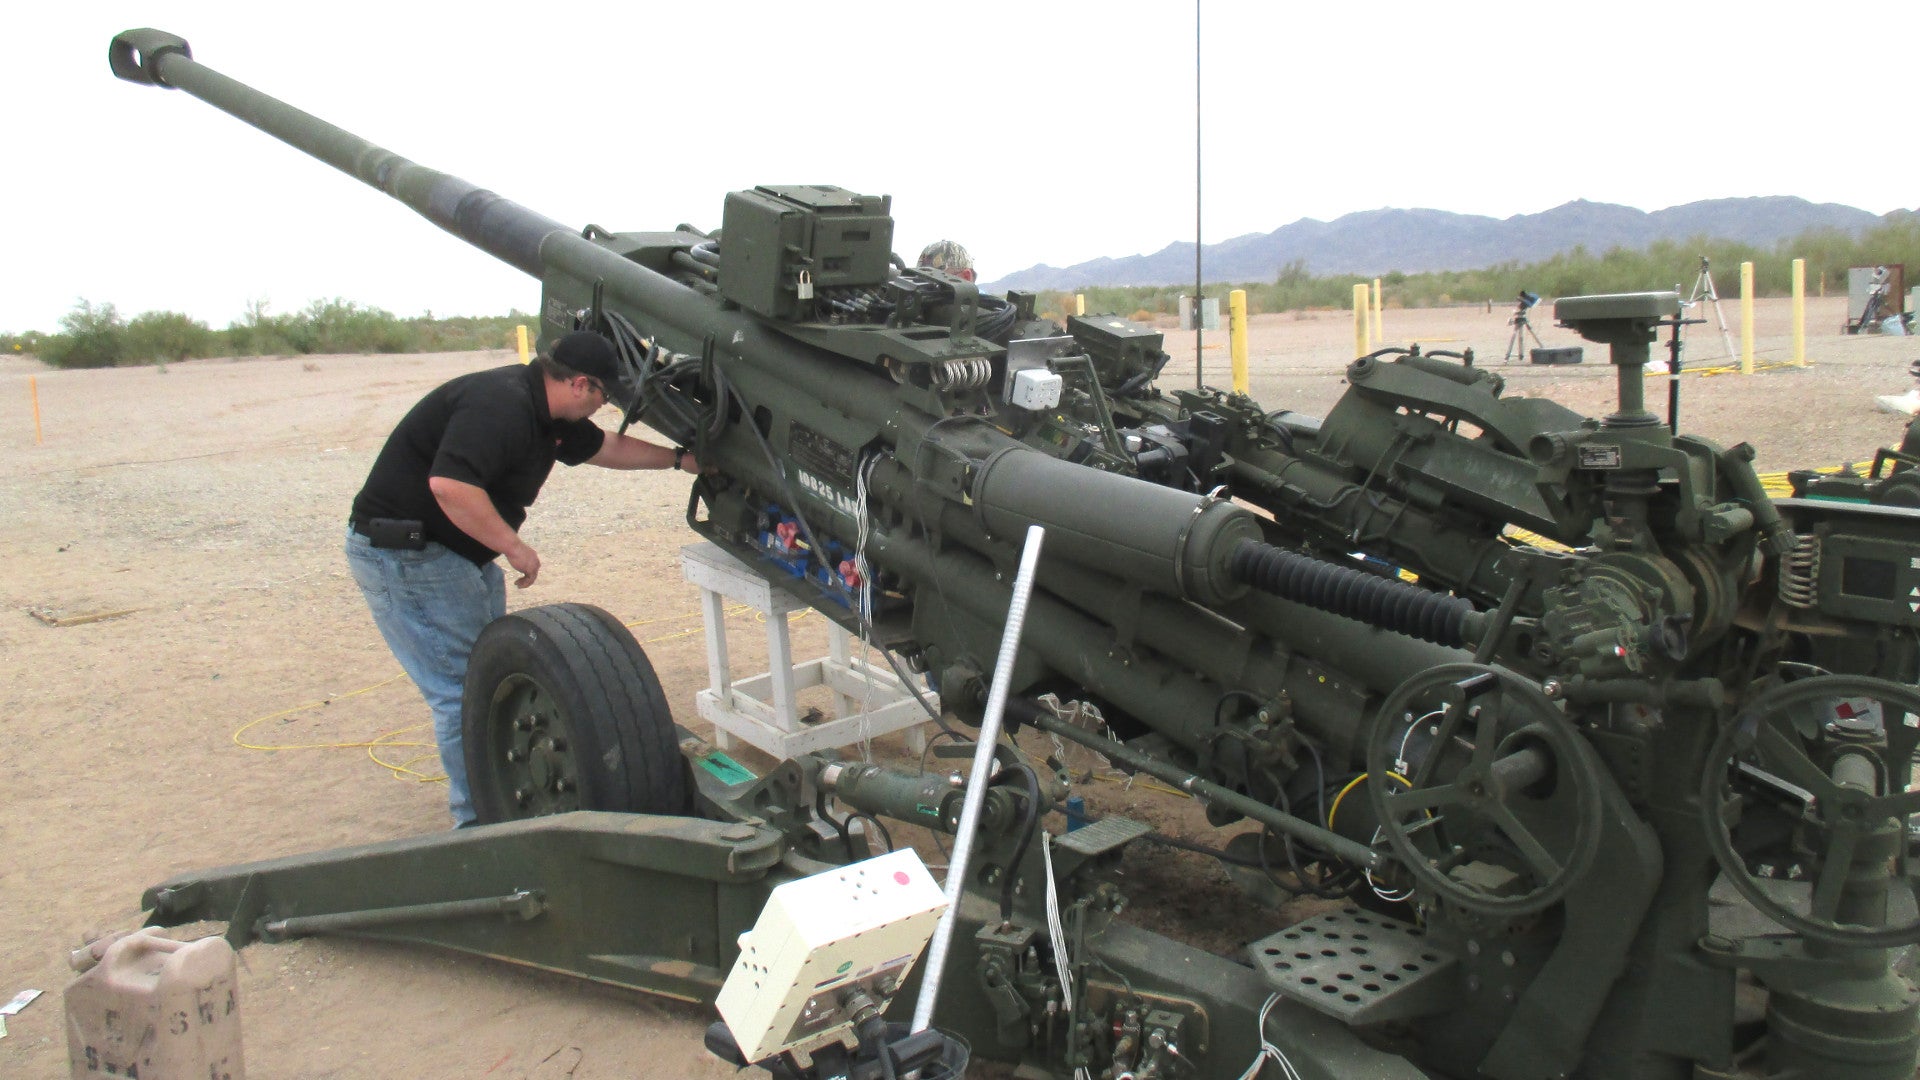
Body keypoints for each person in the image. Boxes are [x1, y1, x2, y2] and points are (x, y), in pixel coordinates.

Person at [344, 330, 699, 827]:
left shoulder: (547, 411)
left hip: (454, 556)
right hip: (410, 556)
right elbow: (449, 486)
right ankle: (479, 826)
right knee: (462, 693)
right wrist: (512, 546)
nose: (603, 407)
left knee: (485, 680)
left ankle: (493, 806)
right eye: (603, 396)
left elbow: (605, 448)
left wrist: (679, 461)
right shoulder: (501, 404)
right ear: (580, 384)